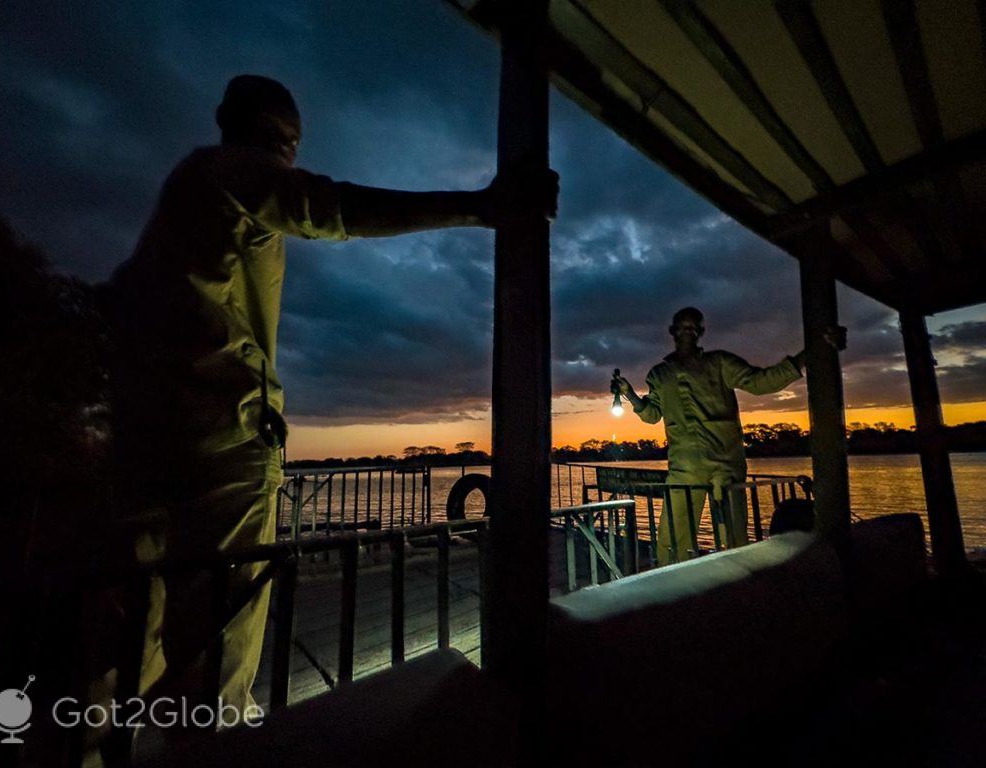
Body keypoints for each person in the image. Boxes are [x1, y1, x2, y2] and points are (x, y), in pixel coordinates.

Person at [103, 74, 557, 727]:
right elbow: (331, 209)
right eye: (290, 146)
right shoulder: (234, 174)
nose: (289, 158)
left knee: (127, 633)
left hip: (143, 440)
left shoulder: (180, 203)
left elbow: (127, 300)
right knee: (216, 655)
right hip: (217, 440)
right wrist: (482, 207)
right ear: (277, 138)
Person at [614, 307, 844, 565]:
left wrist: (809, 355)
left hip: (726, 464)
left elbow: (760, 382)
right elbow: (652, 414)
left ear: (701, 332)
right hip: (684, 467)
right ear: (672, 331)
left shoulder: (720, 363)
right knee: (673, 538)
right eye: (681, 327)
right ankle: (673, 588)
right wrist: (629, 394)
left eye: (692, 328)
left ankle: (737, 583)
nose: (686, 333)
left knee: (734, 538)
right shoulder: (659, 374)